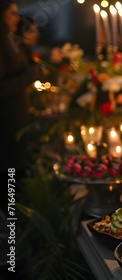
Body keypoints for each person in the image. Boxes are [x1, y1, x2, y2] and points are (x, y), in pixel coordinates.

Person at [0, 0, 40, 176]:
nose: (17, 18)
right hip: (6, 121)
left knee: (18, 172)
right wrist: (31, 75)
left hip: (18, 118)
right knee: (9, 173)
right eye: (12, 13)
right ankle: (8, 204)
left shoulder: (10, 38)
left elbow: (23, 65)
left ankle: (13, 202)